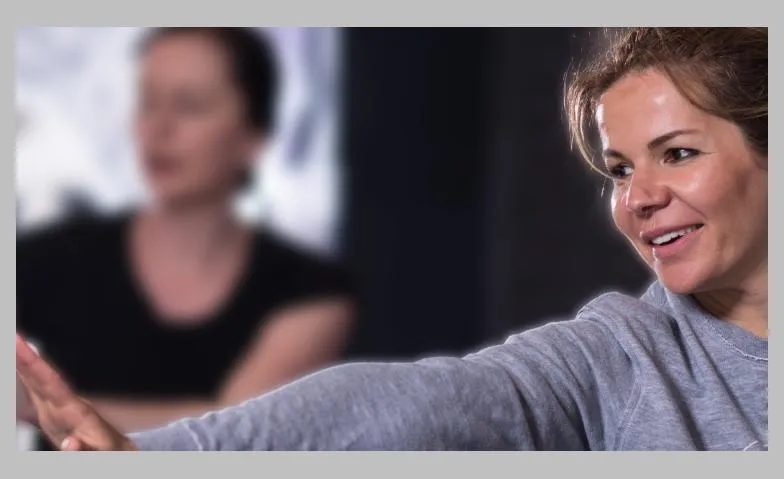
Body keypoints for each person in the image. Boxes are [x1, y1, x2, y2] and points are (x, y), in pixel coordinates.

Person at [16, 26, 767, 451]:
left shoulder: (301, 286)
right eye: (619, 169)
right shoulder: (619, 356)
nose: (638, 197)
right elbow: (427, 401)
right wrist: (156, 456)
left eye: (677, 153)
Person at [16, 27, 355, 449]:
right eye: (149, 102)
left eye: (189, 105)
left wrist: (44, 408)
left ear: (252, 137)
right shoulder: (48, 259)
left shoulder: (311, 291)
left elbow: (238, 435)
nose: (159, 128)